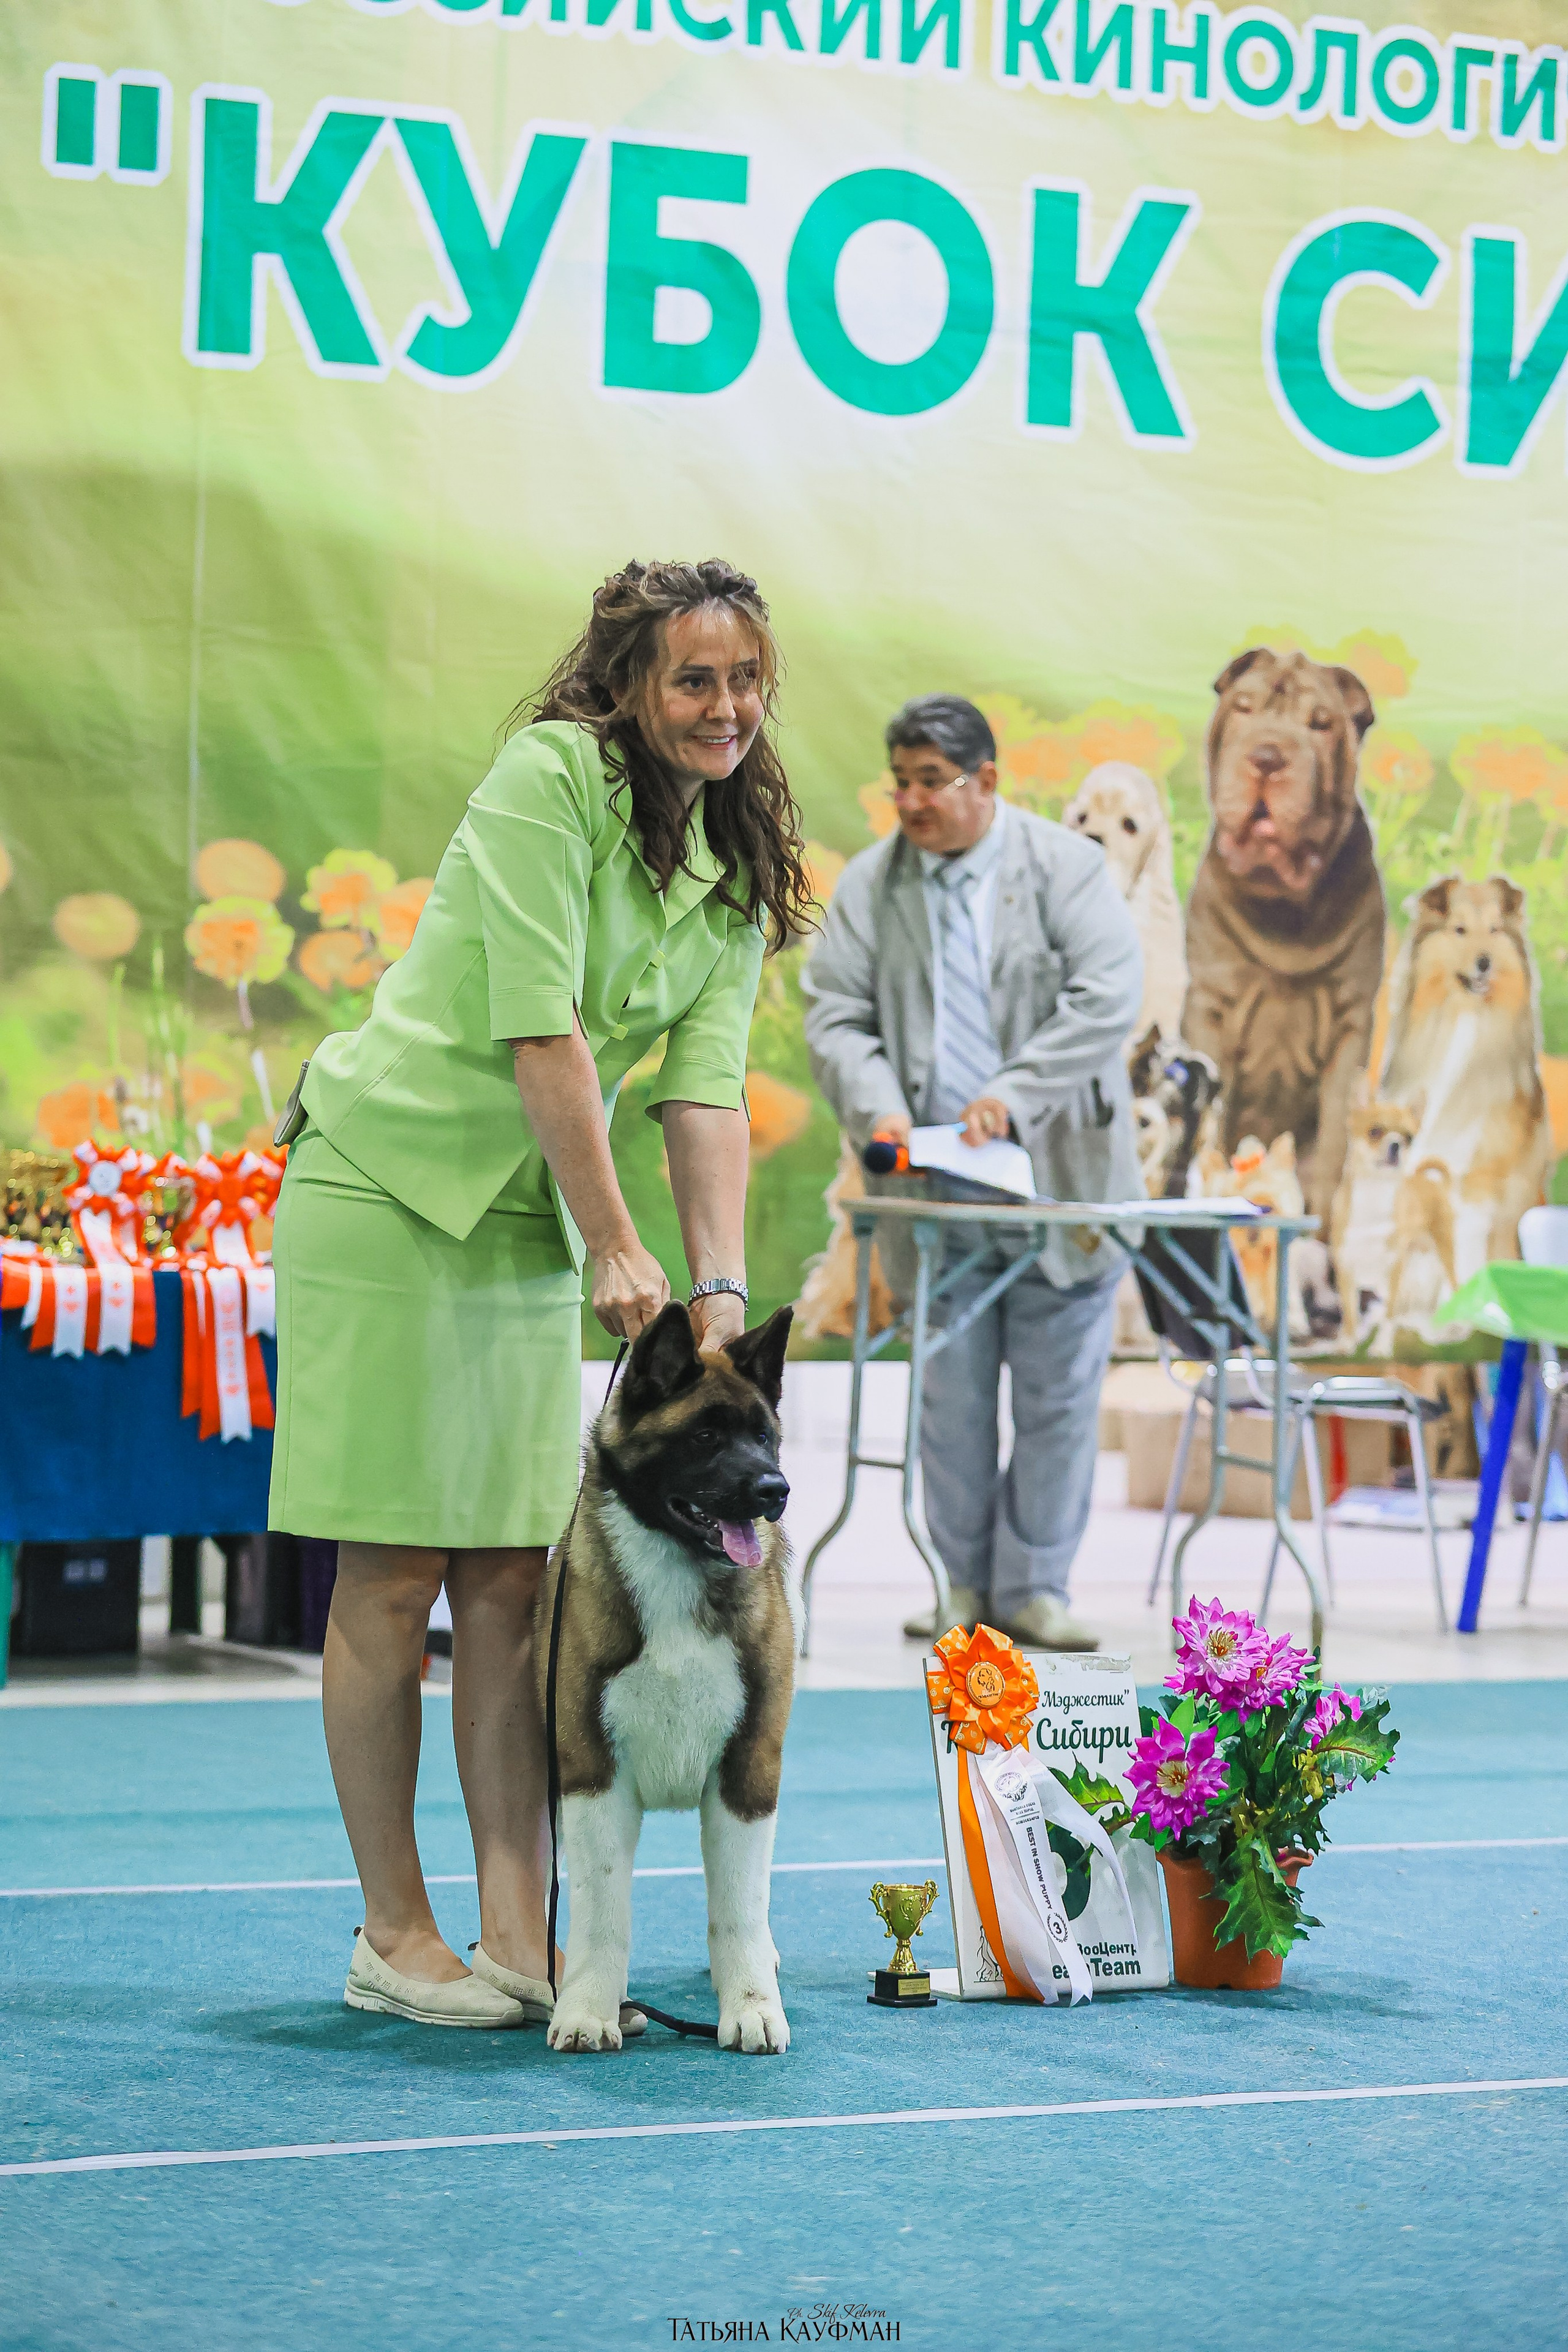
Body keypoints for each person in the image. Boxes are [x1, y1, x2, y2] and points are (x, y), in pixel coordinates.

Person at [268, 559, 809, 2027]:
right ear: (627, 685)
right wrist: (617, 1243)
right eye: (692, 680)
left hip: (522, 1221)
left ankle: (522, 1935)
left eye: (745, 680)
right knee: (392, 1575)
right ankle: (395, 1935)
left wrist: (714, 1287)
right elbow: (543, 1030)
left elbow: (704, 1093)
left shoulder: (730, 863)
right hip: (386, 1190)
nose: (724, 707)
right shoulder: (546, 780)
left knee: (513, 1581)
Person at [802, 694, 1142, 1651]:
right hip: (935, 1189)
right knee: (949, 1398)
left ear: (986, 781)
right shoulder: (871, 886)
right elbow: (836, 1013)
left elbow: (1106, 995)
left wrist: (1016, 1095)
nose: (911, 801)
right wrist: (878, 1106)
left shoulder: (1066, 867)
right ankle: (961, 1587)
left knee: (1057, 1398)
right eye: (900, 783)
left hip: (1061, 1183)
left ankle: (1034, 1591)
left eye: (931, 782)